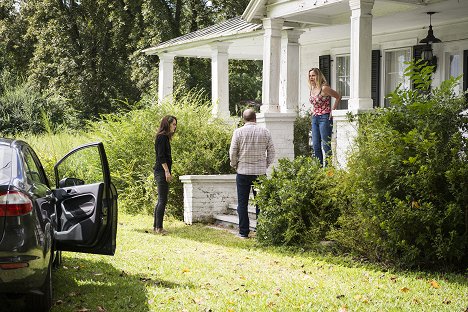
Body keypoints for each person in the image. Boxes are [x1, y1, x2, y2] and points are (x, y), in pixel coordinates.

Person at [229, 109, 275, 239]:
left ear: (244, 119)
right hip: (260, 174)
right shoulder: (265, 132)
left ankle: (244, 232)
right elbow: (272, 152)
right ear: (255, 118)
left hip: (243, 172)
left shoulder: (238, 132)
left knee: (242, 203)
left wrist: (234, 165)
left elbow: (233, 152)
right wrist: (265, 165)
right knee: (261, 203)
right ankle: (262, 231)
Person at [308, 67, 341, 166]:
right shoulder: (312, 89)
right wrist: (312, 110)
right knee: (315, 145)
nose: (311, 78)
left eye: (313, 75)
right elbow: (315, 103)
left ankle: (328, 170)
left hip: (324, 118)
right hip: (315, 118)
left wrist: (333, 110)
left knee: (325, 145)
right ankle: (318, 169)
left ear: (318, 76)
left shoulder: (324, 88)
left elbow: (338, 96)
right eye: (310, 76)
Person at [153, 115, 177, 235]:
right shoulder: (162, 137)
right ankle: (159, 228)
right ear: (167, 124)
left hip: (162, 171)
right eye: (173, 124)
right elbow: (161, 156)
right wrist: (167, 171)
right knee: (162, 200)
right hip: (161, 171)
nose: (175, 126)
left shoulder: (164, 138)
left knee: (161, 200)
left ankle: (155, 226)